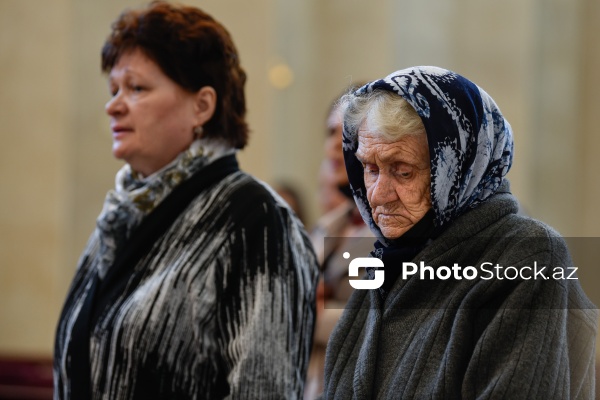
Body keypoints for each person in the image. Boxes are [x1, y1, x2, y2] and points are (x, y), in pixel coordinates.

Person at [53, 2, 319, 399]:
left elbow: (266, 390)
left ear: (202, 105)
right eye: (113, 89)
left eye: (137, 88)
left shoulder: (256, 221)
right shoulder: (121, 216)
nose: (113, 105)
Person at [320, 66, 597, 399]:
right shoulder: (384, 264)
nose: (377, 194)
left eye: (403, 171)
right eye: (370, 169)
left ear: (458, 168)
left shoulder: (528, 257)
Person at [304, 90, 373, 400]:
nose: (332, 145)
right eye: (330, 131)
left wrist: (303, 309)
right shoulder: (329, 225)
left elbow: (376, 323)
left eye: (345, 132)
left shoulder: (396, 234)